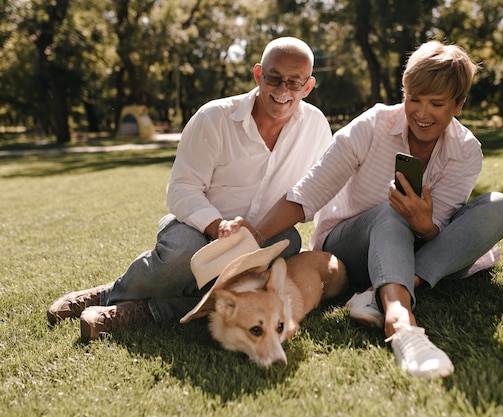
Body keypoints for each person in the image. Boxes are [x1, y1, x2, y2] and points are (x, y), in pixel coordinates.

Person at [221, 40, 503, 379]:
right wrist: (254, 234)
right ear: (403, 91)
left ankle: (378, 292)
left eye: (436, 104)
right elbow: (309, 192)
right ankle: (401, 324)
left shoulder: (466, 151)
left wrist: (425, 226)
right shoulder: (372, 125)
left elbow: (440, 233)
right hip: (349, 250)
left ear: (458, 105)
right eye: (413, 99)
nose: (421, 113)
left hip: (416, 248)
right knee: (391, 212)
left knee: (499, 206)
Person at [47, 37, 333, 341]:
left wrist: (260, 235)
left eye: (293, 82)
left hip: (269, 235)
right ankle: (110, 295)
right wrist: (218, 226)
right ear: (258, 74)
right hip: (201, 228)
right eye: (274, 78)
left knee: (262, 275)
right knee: (182, 256)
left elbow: (318, 191)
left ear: (308, 86)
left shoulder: (316, 126)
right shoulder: (214, 117)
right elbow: (182, 189)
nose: (282, 90)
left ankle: (141, 311)